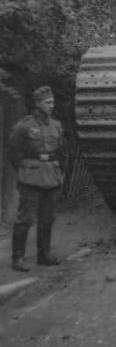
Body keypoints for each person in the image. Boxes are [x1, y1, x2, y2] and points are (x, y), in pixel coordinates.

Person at [8, 85, 64, 271]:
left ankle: (44, 255)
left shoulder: (56, 125)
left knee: (47, 219)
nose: (51, 105)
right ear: (38, 104)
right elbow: (13, 153)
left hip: (51, 177)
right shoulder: (25, 126)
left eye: (52, 102)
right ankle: (18, 258)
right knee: (25, 219)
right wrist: (25, 168)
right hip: (31, 179)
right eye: (48, 102)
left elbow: (60, 152)